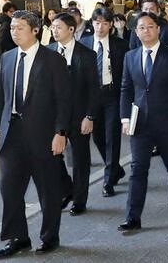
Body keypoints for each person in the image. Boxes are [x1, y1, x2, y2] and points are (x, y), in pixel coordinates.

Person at [0, 10, 71, 257]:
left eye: (20, 28)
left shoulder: (52, 60)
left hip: (43, 133)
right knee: (10, 187)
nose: (14, 32)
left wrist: (60, 132)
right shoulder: (7, 58)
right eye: (12, 28)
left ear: (35, 30)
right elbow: (2, 98)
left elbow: (63, 100)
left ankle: (49, 236)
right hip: (12, 133)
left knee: (47, 189)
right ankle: (18, 237)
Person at [118, 11, 168, 232]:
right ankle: (133, 217)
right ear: (136, 32)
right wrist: (125, 118)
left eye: (150, 26)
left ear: (158, 29)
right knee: (138, 169)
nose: (146, 31)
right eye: (141, 27)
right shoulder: (130, 57)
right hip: (140, 123)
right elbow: (126, 89)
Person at [48, 12, 99, 216]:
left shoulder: (86, 55)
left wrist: (90, 116)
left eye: (59, 27)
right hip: (54, 117)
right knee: (52, 155)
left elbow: (94, 89)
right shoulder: (48, 51)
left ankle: (79, 200)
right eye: (52, 27)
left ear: (71, 29)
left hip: (79, 116)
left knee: (80, 160)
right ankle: (66, 189)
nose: (54, 31)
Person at [83, 7, 128, 197]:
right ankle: (115, 168)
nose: (100, 27)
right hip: (92, 97)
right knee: (98, 137)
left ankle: (108, 180)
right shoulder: (83, 44)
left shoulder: (120, 45)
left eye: (104, 23)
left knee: (112, 137)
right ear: (92, 24)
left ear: (110, 25)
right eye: (97, 22)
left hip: (112, 96)